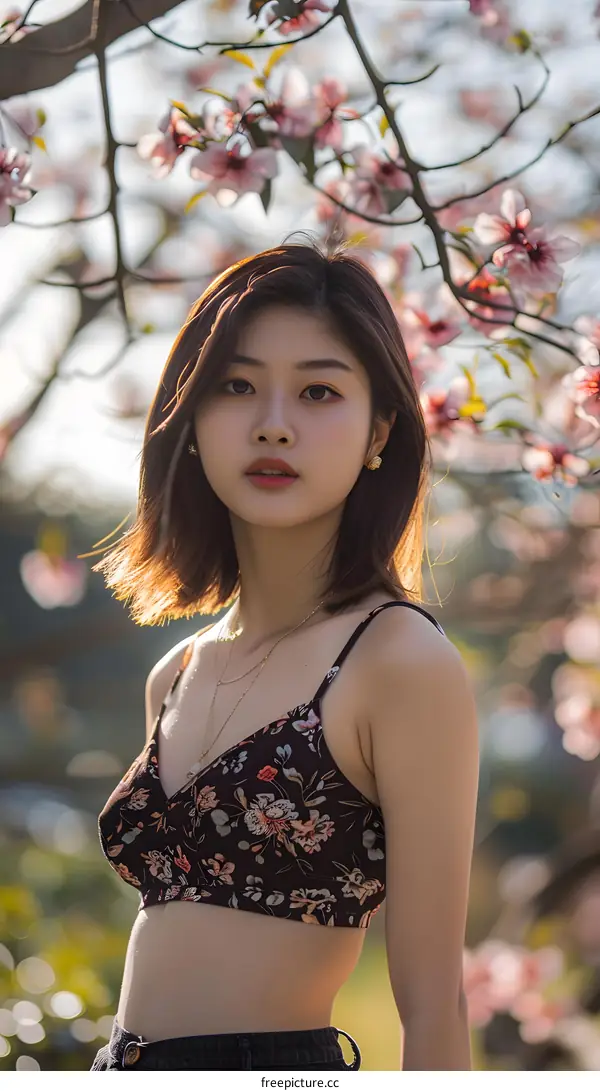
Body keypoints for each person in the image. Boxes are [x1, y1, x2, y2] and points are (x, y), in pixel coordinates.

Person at [89, 239, 479, 1071]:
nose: (273, 420)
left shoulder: (397, 659)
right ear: (190, 419)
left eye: (318, 390)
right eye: (237, 385)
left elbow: (433, 998)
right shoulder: (178, 671)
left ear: (379, 428)